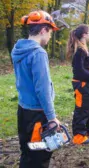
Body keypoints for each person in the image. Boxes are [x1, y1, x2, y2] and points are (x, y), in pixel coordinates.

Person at [11, 10, 60, 168]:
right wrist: (52, 118)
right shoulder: (38, 53)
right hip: (38, 114)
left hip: (23, 110)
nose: (50, 36)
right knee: (40, 155)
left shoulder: (17, 49)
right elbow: (42, 89)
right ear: (43, 30)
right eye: (50, 32)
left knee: (27, 151)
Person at [66, 24, 89, 144]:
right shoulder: (79, 51)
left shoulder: (83, 48)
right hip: (81, 85)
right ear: (84, 35)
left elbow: (86, 63)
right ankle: (79, 135)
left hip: (87, 84)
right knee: (82, 109)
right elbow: (79, 71)